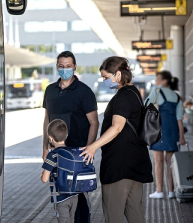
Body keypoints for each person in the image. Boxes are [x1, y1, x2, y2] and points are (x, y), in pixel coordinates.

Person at [79, 56, 153, 223]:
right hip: (135, 163)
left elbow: (117, 127)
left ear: (118, 75)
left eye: (106, 77)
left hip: (119, 166)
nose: (105, 80)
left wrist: (93, 147)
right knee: (136, 214)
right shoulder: (134, 93)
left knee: (113, 215)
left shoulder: (122, 97)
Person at [42, 51, 99, 222]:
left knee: (80, 200)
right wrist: (45, 149)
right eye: (61, 66)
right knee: (61, 196)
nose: (65, 69)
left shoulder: (84, 92)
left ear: (74, 67)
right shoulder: (50, 90)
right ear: (57, 67)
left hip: (77, 155)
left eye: (68, 66)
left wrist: (89, 149)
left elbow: (94, 122)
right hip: (57, 153)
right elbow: (46, 119)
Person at [147, 71, 186, 199]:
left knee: (158, 162)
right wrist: (182, 137)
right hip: (173, 131)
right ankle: (171, 191)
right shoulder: (176, 96)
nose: (156, 81)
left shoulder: (157, 91)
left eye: (158, 78)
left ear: (164, 81)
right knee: (171, 162)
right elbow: (179, 119)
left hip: (159, 131)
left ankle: (159, 191)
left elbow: (145, 106)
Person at [41, 119, 80, 223]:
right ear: (66, 135)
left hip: (60, 198)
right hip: (74, 195)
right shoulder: (72, 152)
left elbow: (44, 179)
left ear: (50, 138)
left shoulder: (52, 155)